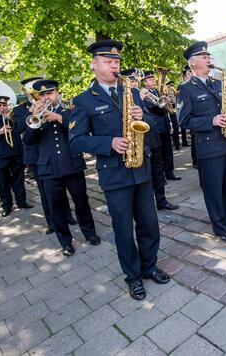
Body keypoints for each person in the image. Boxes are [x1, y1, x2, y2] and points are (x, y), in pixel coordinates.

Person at [69, 40, 169, 300]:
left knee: (149, 224)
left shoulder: (133, 93)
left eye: (117, 62)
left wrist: (142, 117)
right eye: (108, 61)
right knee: (123, 230)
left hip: (141, 169)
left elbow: (150, 125)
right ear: (94, 65)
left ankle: (149, 266)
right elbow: (76, 140)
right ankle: (133, 276)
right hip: (114, 174)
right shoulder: (82, 100)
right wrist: (109, 143)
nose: (115, 65)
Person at [176, 41, 226, 241]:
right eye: (204, 57)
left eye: (209, 57)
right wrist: (211, 120)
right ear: (193, 63)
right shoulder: (186, 88)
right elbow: (184, 120)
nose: (209, 60)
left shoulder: (218, 83)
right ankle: (220, 226)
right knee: (214, 190)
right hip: (207, 147)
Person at [23, 79, 100, 256]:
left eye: (49, 93)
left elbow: (80, 130)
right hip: (48, 168)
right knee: (55, 208)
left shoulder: (69, 111)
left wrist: (58, 117)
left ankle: (90, 233)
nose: (47, 97)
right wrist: (35, 118)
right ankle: (65, 242)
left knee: (81, 202)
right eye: (42, 95)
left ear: (57, 93)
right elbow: (28, 141)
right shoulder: (35, 115)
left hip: (72, 164)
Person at [13, 77, 75, 234]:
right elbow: (18, 129)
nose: (37, 95)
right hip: (34, 155)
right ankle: (51, 222)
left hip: (51, 152)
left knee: (60, 187)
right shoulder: (21, 109)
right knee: (45, 192)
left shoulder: (52, 105)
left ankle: (67, 216)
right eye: (34, 92)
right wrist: (31, 112)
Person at [131, 69, 178, 211]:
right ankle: (146, 204)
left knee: (157, 170)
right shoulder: (128, 95)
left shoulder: (141, 94)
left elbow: (154, 115)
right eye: (132, 81)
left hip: (153, 136)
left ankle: (161, 200)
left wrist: (159, 102)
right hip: (138, 141)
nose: (134, 83)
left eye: (135, 80)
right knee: (145, 174)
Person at [142, 71, 181, 182]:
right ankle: (160, 177)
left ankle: (170, 173)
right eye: (150, 80)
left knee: (168, 151)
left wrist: (166, 101)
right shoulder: (144, 94)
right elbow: (149, 109)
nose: (153, 81)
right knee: (158, 154)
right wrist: (159, 103)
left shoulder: (158, 92)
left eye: (153, 79)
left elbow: (164, 109)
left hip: (165, 125)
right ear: (145, 83)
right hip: (155, 127)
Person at [180, 65, 198, 168]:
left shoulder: (196, 85)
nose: (190, 75)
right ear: (185, 76)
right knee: (194, 141)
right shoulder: (184, 87)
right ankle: (195, 161)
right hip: (191, 117)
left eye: (190, 73)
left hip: (197, 116)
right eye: (188, 74)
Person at [166, 81, 181, 150]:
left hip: (175, 111)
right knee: (174, 129)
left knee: (176, 128)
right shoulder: (167, 93)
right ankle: (176, 144)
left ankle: (177, 143)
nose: (172, 87)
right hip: (170, 112)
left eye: (172, 85)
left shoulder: (174, 93)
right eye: (170, 86)